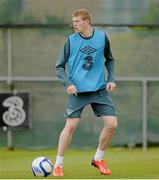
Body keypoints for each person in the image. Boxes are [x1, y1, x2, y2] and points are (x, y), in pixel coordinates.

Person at [53, 8, 118, 176]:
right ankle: (58, 164)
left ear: (87, 22)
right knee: (71, 126)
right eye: (73, 21)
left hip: (99, 90)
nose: (74, 24)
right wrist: (68, 83)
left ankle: (98, 158)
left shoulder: (102, 38)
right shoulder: (70, 41)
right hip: (77, 92)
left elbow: (110, 60)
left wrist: (111, 79)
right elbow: (59, 67)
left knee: (112, 124)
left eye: (77, 21)